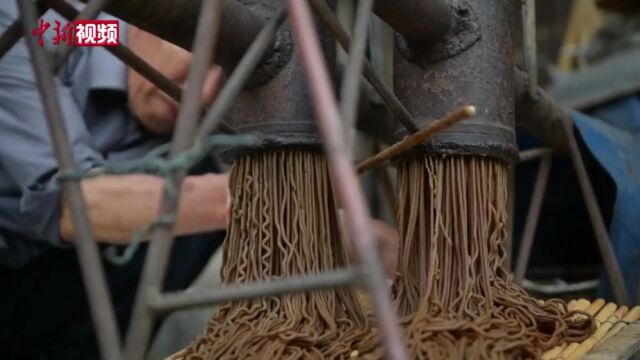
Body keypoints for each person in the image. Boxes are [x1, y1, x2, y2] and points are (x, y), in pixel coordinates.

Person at [0, 3, 399, 359]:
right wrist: (261, 192)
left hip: (67, 307)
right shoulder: (73, 29)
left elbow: (269, 204)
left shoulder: (207, 133)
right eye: (200, 55)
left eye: (225, 78)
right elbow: (72, 205)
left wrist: (363, 237)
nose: (203, 93)